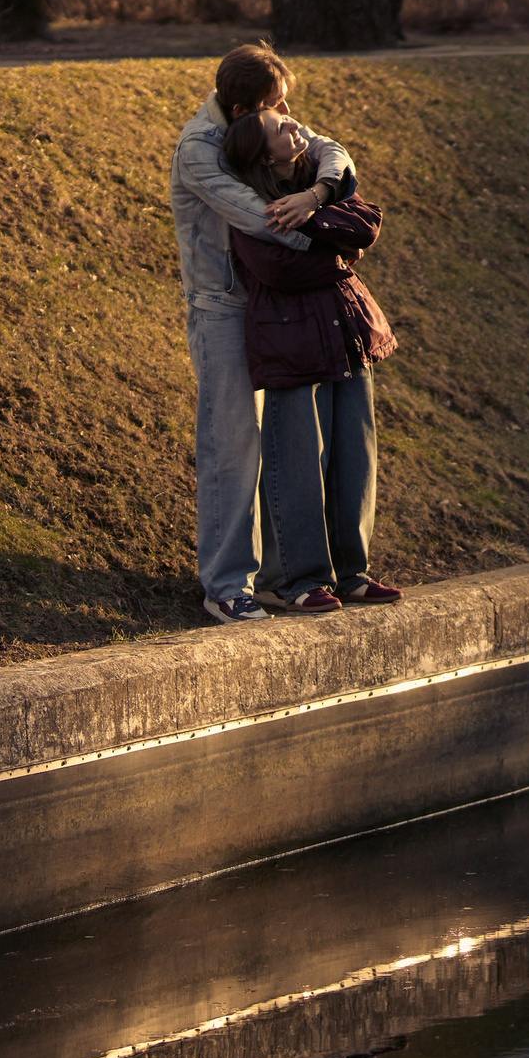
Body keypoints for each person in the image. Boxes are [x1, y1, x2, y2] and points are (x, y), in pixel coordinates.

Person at [170, 43, 355, 624]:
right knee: (232, 445)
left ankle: (286, 580)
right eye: (277, 105)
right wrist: (333, 240)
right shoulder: (198, 150)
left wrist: (317, 195)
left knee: (288, 442)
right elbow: (258, 218)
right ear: (247, 107)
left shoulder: (268, 122)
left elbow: (336, 153)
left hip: (276, 304)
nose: (290, 115)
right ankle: (226, 585)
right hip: (224, 307)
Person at [223, 108, 400, 613]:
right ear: (262, 154)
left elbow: (367, 223)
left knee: (354, 458)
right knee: (298, 463)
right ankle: (295, 579)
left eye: (289, 119)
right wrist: (337, 247)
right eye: (280, 129)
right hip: (292, 343)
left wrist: (314, 214)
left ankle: (352, 574)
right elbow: (275, 267)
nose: (294, 126)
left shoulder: (318, 182)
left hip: (348, 336)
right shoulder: (249, 205)